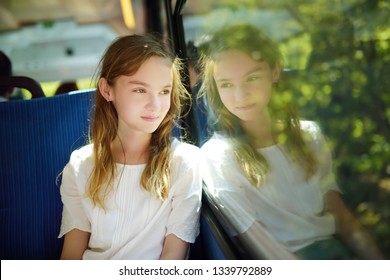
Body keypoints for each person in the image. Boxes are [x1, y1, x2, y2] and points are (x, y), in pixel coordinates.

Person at [199, 24, 384, 259]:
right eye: (226, 84)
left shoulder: (309, 135)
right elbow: (260, 245)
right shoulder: (218, 156)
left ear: (275, 71)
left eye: (252, 78)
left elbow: (342, 218)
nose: (240, 95)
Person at [58, 34, 202, 260]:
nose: (155, 105)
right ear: (107, 90)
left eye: (164, 91)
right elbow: (71, 258)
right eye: (140, 90)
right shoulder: (81, 165)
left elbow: (173, 259)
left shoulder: (183, 162)